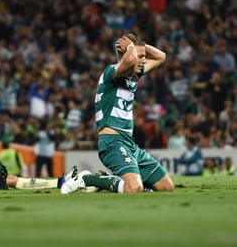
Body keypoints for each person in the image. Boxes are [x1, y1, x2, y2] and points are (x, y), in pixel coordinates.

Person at [62, 34, 174, 194]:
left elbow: (161, 57)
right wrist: (130, 48)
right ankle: (88, 179)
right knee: (133, 188)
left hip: (130, 144)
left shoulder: (134, 75)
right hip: (112, 142)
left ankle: (118, 181)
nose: (144, 60)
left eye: (144, 56)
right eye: (140, 57)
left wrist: (139, 46)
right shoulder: (111, 72)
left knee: (166, 186)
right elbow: (128, 61)